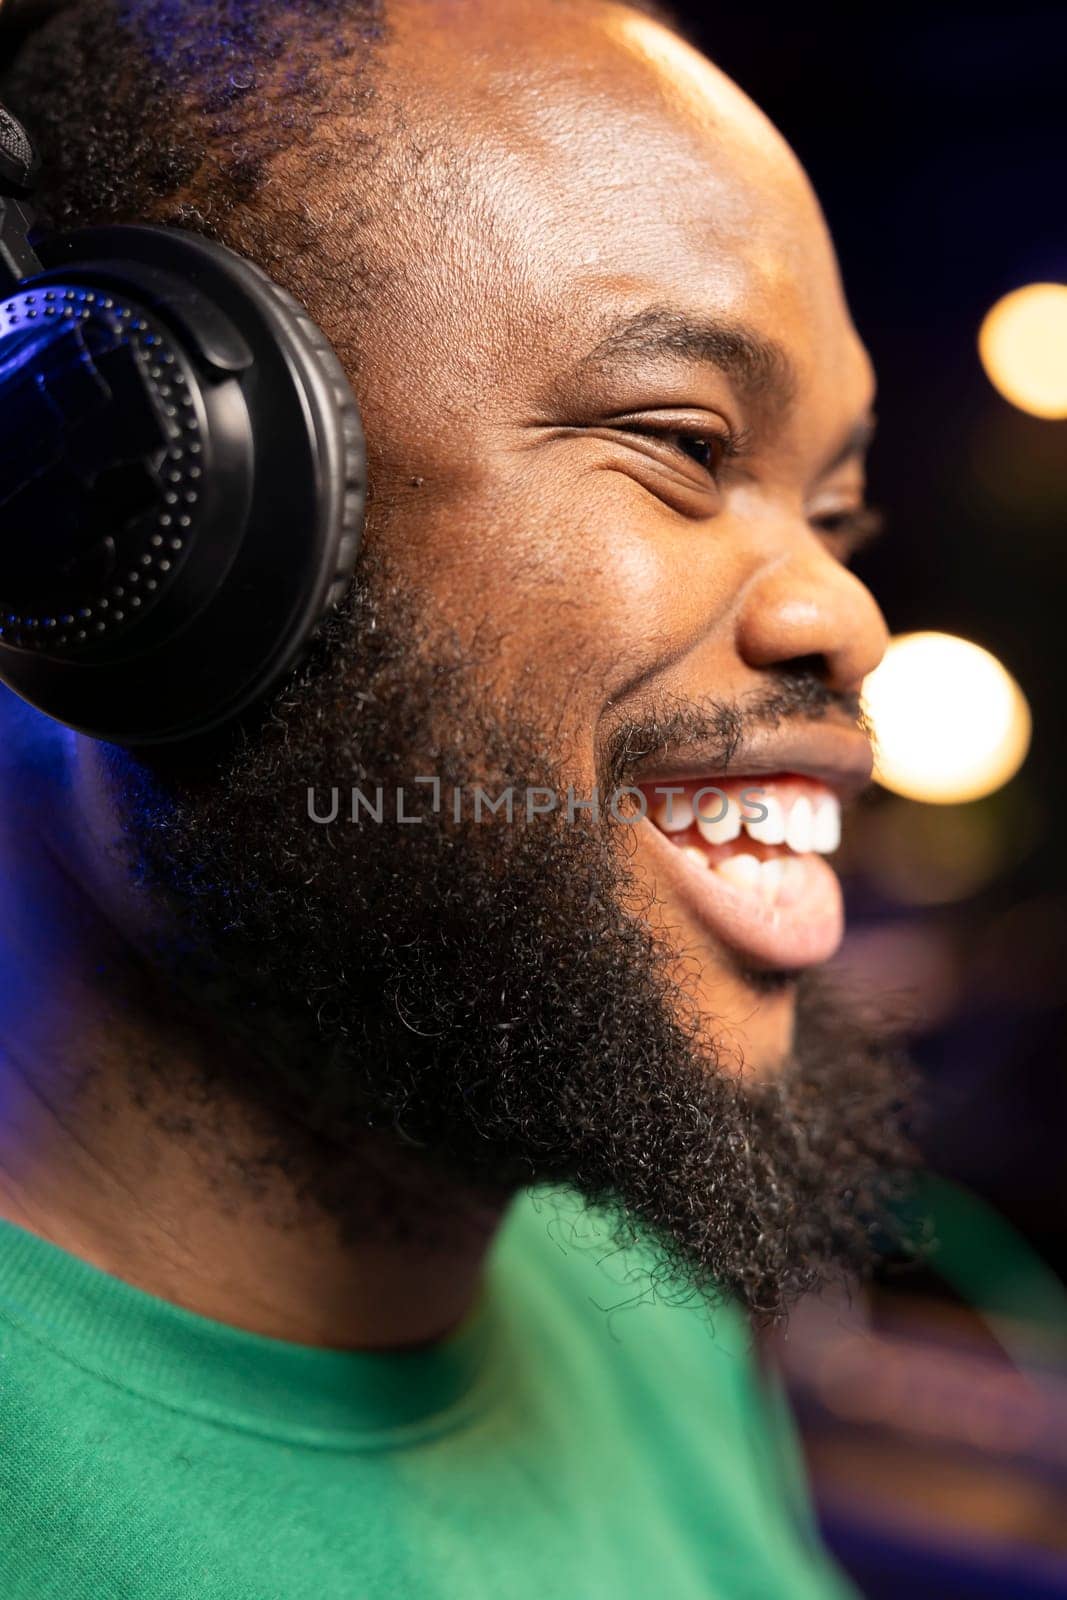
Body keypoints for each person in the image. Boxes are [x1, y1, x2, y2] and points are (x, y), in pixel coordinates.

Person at [0, 2, 914, 1595]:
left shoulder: (628, 1295)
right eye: (685, 443)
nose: (851, 619)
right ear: (118, 490)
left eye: (835, 510)